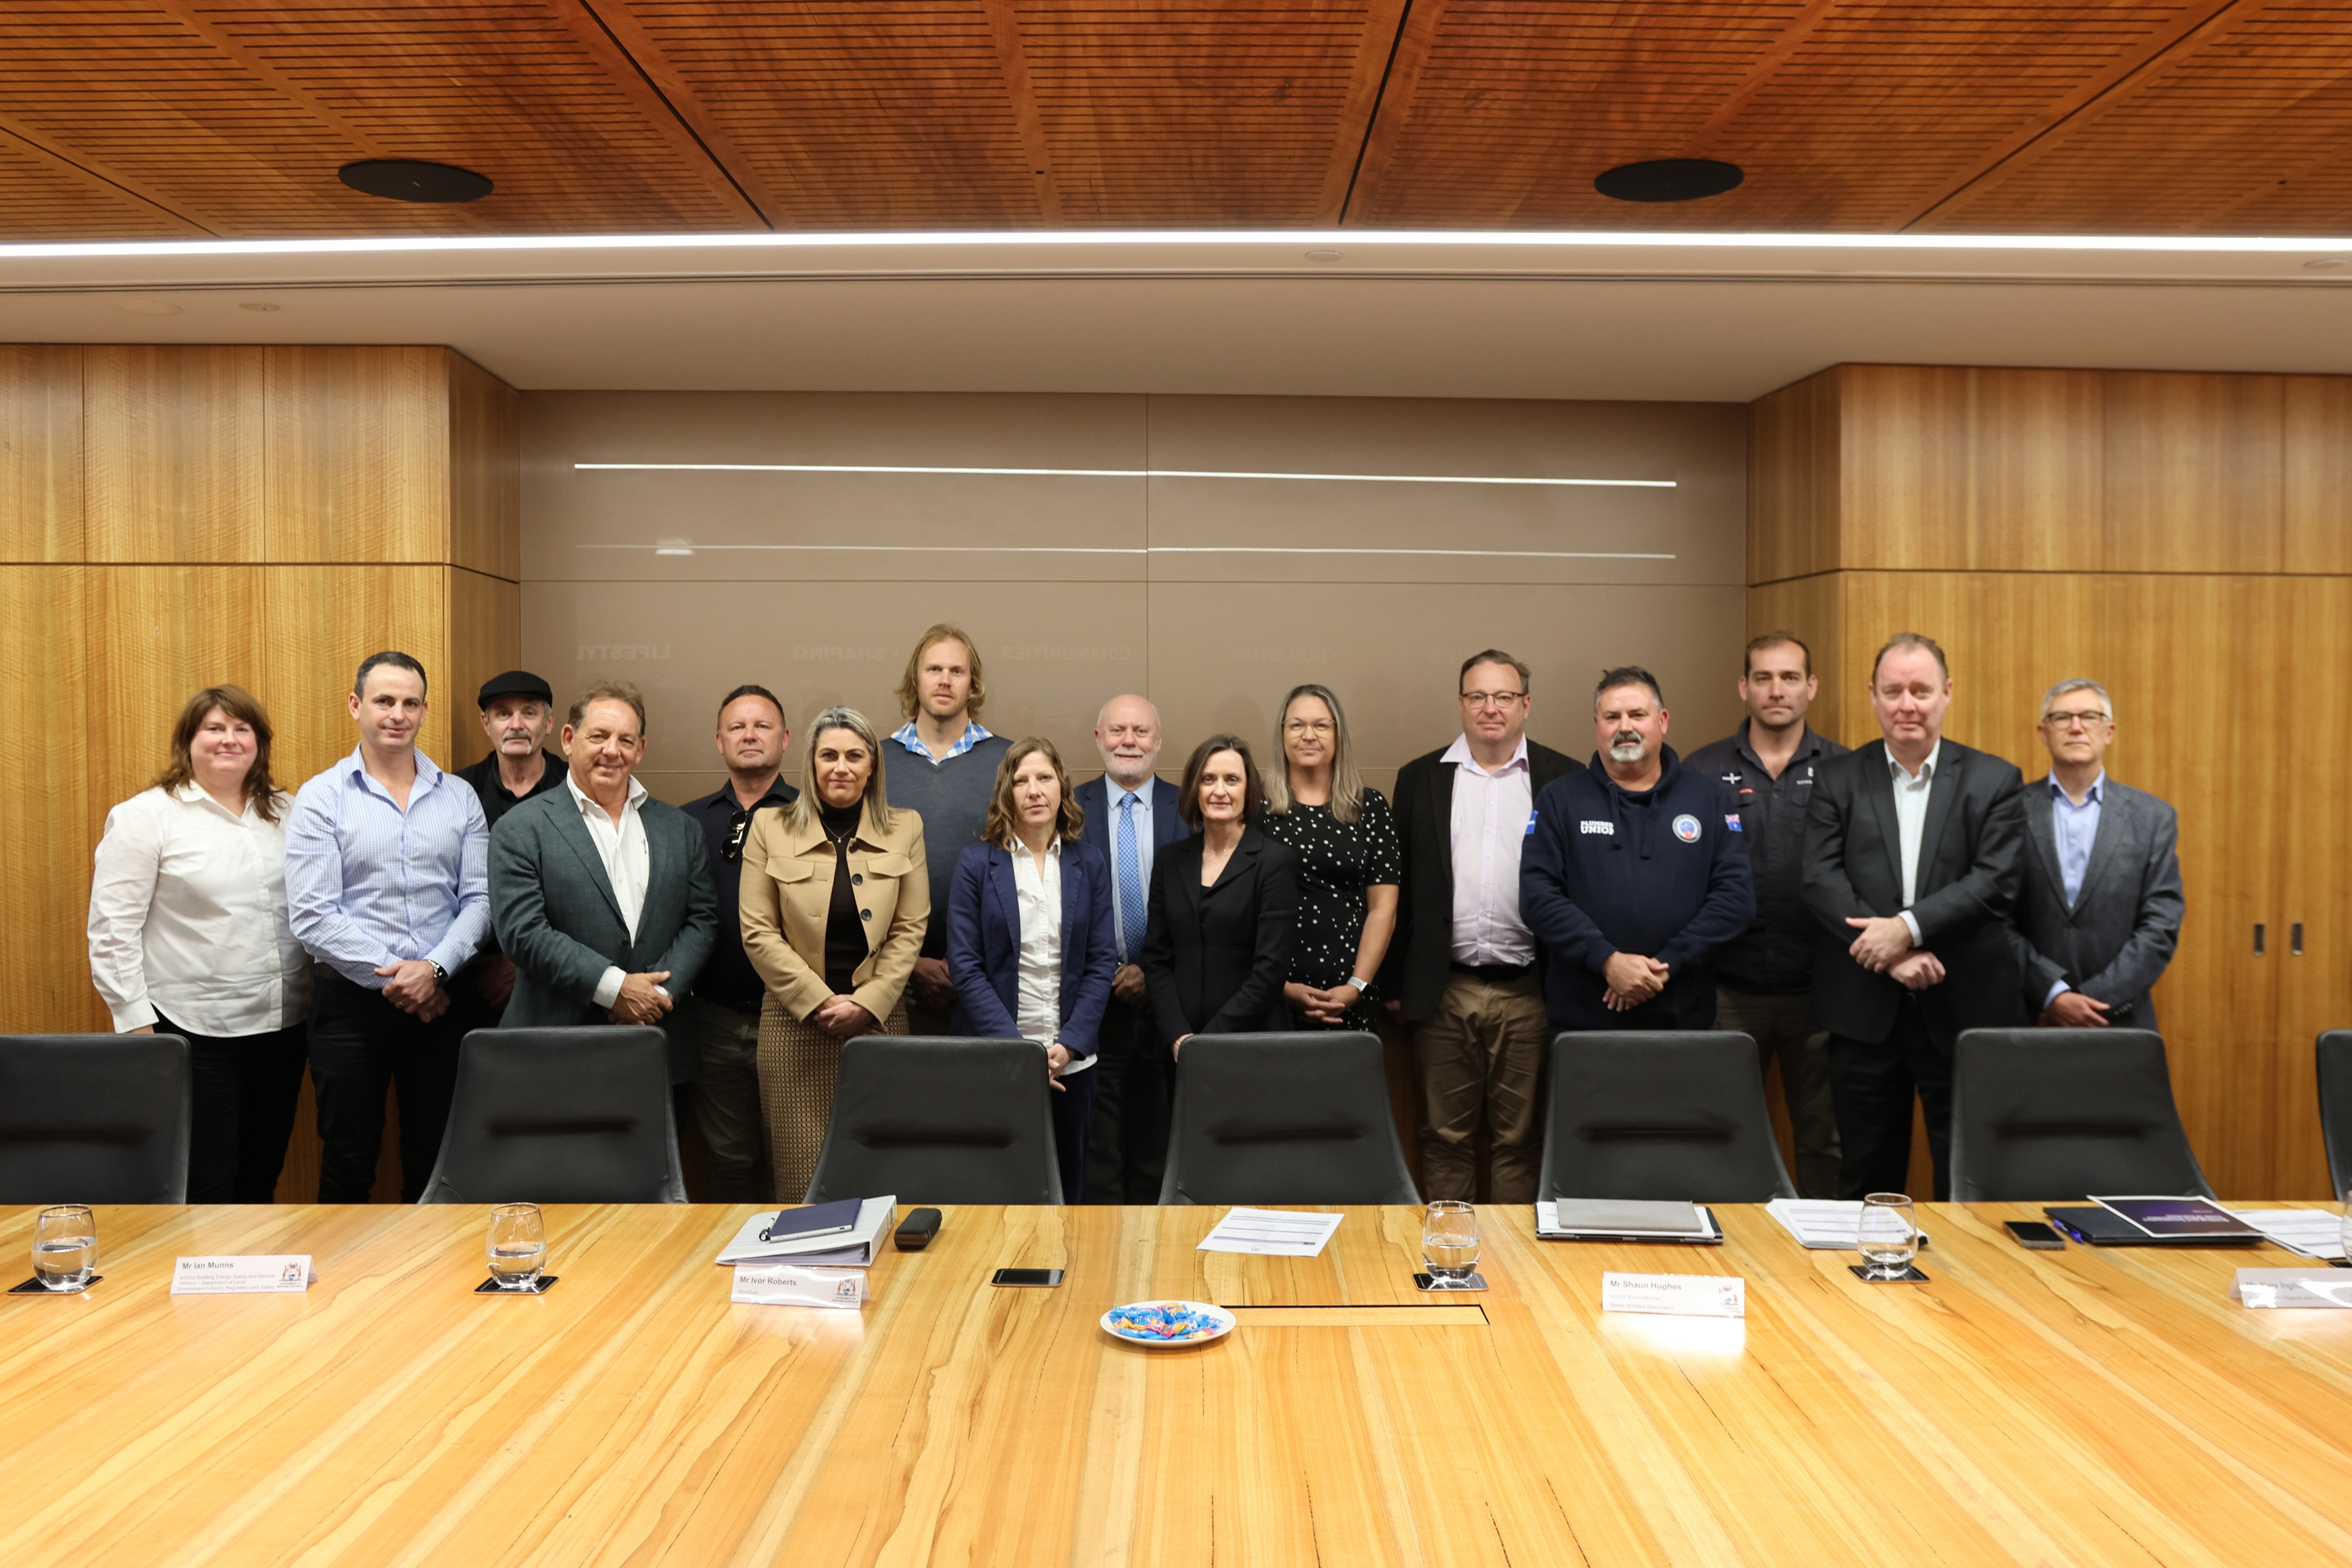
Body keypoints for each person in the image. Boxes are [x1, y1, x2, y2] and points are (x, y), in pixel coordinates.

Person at [1803, 632, 2027, 1200]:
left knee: (1970, 1177)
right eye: (1894, 690)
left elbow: (1996, 882)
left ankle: (1972, 1288)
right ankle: (1869, 1287)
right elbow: (1820, 878)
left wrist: (1905, 929)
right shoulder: (1837, 778)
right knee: (1865, 1175)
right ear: (1872, 696)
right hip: (1864, 1013)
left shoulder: (1994, 780)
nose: (1908, 704)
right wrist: (1891, 956)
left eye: (1921, 690)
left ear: (1947, 693)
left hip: (1964, 1010)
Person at [86, 685, 312, 1203]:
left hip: (284, 1024)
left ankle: (255, 1284)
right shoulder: (146, 817)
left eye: (241, 729)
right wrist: (136, 1021)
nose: (228, 740)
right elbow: (112, 927)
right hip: (191, 1029)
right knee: (208, 1183)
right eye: (213, 728)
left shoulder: (290, 812)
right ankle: (209, 1283)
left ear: (260, 742)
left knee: (262, 1174)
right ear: (188, 741)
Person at [285, 652, 490, 1202]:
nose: (397, 714)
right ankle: (347, 1290)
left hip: (444, 1001)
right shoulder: (322, 798)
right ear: (357, 706)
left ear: (424, 711)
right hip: (351, 1006)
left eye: (410, 703)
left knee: (438, 1157)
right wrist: (403, 981)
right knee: (349, 1158)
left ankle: (433, 1284)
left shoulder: (459, 797)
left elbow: (479, 899)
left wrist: (435, 970)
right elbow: (312, 913)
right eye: (384, 701)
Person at [1385, 650, 1576, 1203]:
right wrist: (1397, 984)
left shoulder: (1563, 777)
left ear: (1526, 705)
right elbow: (1400, 891)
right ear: (1462, 703)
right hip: (1444, 990)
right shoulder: (1420, 778)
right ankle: (1453, 1263)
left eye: (1504, 697)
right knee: (1444, 1137)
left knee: (1521, 1140)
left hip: (1532, 990)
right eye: (1477, 696)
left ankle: (1513, 1275)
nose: (1490, 708)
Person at [739, 707, 928, 1202]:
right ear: (811, 764)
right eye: (828, 755)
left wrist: (866, 1004)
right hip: (794, 1027)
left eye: (854, 755)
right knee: (803, 1184)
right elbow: (757, 932)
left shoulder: (906, 827)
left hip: (879, 1025)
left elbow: (910, 929)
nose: (840, 767)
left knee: (882, 1177)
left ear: (872, 768)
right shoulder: (769, 826)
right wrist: (824, 1004)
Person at [487, 681, 717, 1085]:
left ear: (641, 749)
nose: (613, 750)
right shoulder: (520, 828)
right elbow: (523, 933)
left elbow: (703, 921)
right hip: (555, 1051)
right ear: (569, 739)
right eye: (599, 736)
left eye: (626, 740)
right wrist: (616, 989)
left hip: (657, 1043)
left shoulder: (681, 828)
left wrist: (657, 997)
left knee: (659, 1151)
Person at [1685, 633, 1850, 1197]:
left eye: (1788, 678)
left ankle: (1824, 1269)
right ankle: (1725, 1254)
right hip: (1729, 989)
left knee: (1825, 1139)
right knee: (1719, 1133)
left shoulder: (1846, 770)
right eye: (1763, 678)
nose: (1776, 690)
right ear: (1744, 687)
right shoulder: (1701, 771)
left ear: (1811, 686)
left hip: (1822, 988)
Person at [1521, 666, 1755, 1033]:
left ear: (1662, 721)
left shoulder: (1707, 798)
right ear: (1597, 723)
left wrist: (1664, 967)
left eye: (1637, 715)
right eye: (1612, 717)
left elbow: (1735, 899)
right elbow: (1538, 897)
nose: (1624, 726)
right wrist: (1608, 961)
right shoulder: (1560, 799)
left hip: (1683, 1013)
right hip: (1583, 1018)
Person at [945, 738, 1119, 1200]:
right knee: (992, 1191)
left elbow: (1103, 963)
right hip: (996, 1058)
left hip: (1072, 1062)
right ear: (1007, 793)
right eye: (1020, 781)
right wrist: (1019, 1052)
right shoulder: (977, 864)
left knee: (1069, 1188)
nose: (1033, 790)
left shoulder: (1089, 862)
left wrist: (1069, 1044)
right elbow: (965, 967)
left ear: (1062, 786)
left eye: (1044, 778)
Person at [2006, 679, 2184, 1029]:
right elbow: (1996, 919)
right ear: (2043, 732)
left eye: (2089, 716)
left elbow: (2160, 925)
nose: (2076, 727)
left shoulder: (2152, 818)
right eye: (2062, 718)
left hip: (2119, 1020)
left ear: (2109, 731)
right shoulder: (2008, 812)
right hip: (2031, 1019)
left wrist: (2093, 1001)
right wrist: (2053, 995)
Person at [681, 684, 799, 1201]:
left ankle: (792, 1276)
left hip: (794, 1018)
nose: (749, 735)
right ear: (719, 741)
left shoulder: (812, 816)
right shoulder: (686, 823)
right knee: (729, 1161)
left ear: (786, 739)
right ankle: (730, 1275)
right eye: (737, 727)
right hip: (713, 1019)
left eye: (762, 726)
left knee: (791, 1159)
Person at [1073, 693, 1187, 1203]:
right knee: (1096, 1154)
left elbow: (1202, 911)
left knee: (1157, 1150)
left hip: (1168, 1003)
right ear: (1098, 740)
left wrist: (1147, 969)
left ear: (1158, 743)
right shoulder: (1068, 808)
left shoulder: (1189, 808)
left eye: (1141, 732)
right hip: (1089, 1005)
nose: (1128, 741)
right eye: (1117, 731)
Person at [884, 624, 1010, 1033]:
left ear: (973, 684)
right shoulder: (874, 761)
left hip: (989, 979)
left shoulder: (1009, 762)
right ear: (914, 679)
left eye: (957, 671)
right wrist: (908, 963)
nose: (944, 680)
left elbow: (1029, 867)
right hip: (889, 982)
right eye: (933, 669)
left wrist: (971, 964)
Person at [1141, 735, 1299, 1058]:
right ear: (1194, 788)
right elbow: (1157, 959)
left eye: (1232, 780)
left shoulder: (1274, 862)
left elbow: (1270, 970)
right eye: (1208, 779)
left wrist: (1208, 1043)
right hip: (1178, 1048)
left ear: (1248, 789)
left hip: (1251, 1045)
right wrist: (1178, 1035)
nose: (1219, 791)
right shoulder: (1171, 860)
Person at [1262, 683, 1400, 1030]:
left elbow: (1384, 908)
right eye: (1296, 725)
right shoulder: (1255, 810)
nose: (1309, 735)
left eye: (1322, 725)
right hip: (1271, 994)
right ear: (1282, 734)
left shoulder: (1370, 807)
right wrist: (1280, 987)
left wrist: (1356, 986)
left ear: (1339, 735)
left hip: (1353, 993)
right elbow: (1236, 911)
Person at [454, 670, 566, 1025]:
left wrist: (522, 966)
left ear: (549, 723)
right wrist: (481, 964)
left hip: (563, 978)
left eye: (529, 713)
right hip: (471, 978)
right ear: (486, 724)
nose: (516, 724)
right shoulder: (456, 792)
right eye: (503, 714)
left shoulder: (578, 789)